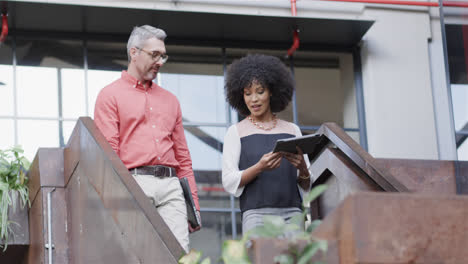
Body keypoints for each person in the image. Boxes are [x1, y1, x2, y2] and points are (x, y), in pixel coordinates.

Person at [94, 25, 200, 252]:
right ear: (134, 52)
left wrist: (194, 207)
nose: (160, 61)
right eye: (154, 55)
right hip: (134, 183)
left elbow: (183, 157)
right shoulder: (109, 95)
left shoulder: (171, 100)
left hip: (172, 187)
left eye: (163, 56)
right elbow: (109, 155)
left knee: (178, 255)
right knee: (137, 253)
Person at [222, 54, 311, 234]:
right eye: (248, 93)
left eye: (260, 91)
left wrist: (302, 167)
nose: (253, 99)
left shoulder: (292, 130)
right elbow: (229, 181)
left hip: (293, 214)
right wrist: (259, 167)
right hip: (256, 215)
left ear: (272, 91)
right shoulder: (236, 132)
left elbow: (307, 184)